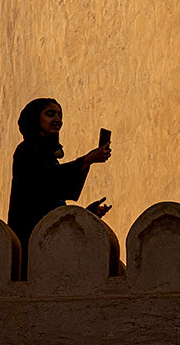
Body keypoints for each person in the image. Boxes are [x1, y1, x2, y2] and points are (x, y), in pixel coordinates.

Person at [7, 98, 112, 262]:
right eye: (50, 114)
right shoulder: (26, 151)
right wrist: (87, 160)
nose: (58, 119)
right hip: (32, 241)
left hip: (52, 241)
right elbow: (47, 182)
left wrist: (87, 214)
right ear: (35, 119)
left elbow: (55, 194)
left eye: (59, 115)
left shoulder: (47, 156)